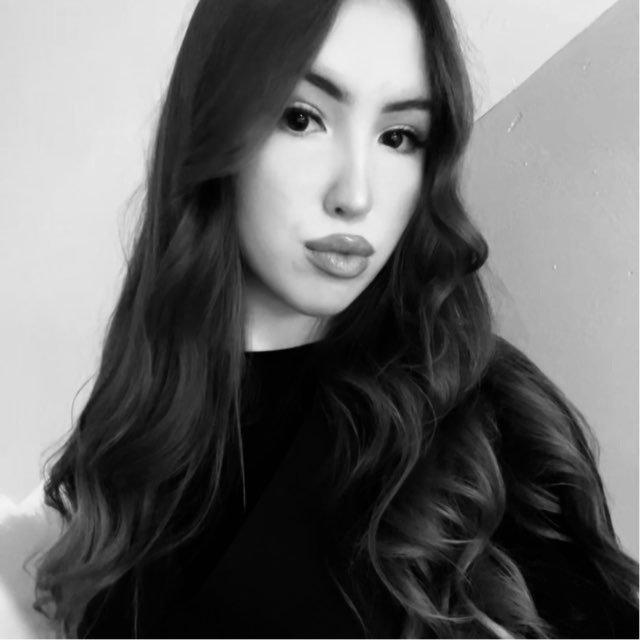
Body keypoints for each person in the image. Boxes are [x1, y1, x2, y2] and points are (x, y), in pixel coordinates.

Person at [30, 0, 638, 637]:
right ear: (216, 127)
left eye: (398, 137)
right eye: (302, 118)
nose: (356, 195)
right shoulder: (129, 437)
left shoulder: (487, 422)